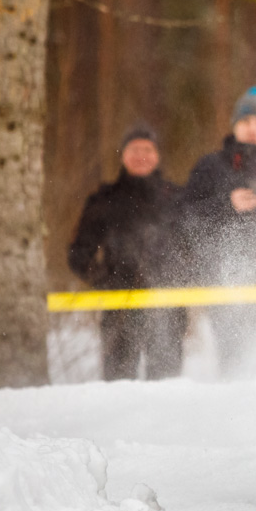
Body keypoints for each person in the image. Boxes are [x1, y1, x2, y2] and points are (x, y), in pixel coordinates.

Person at [184, 86, 256, 373]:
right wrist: (227, 204)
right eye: (246, 120)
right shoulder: (210, 167)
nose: (252, 127)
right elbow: (185, 216)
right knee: (232, 364)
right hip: (223, 286)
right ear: (234, 125)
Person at [68, 124, 188, 380]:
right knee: (119, 390)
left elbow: (193, 248)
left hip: (167, 308)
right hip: (119, 310)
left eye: (147, 149)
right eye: (134, 149)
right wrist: (107, 282)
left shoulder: (177, 198)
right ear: (122, 155)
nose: (141, 155)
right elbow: (78, 254)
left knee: (167, 390)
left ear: (157, 155)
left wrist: (178, 278)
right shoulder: (104, 200)